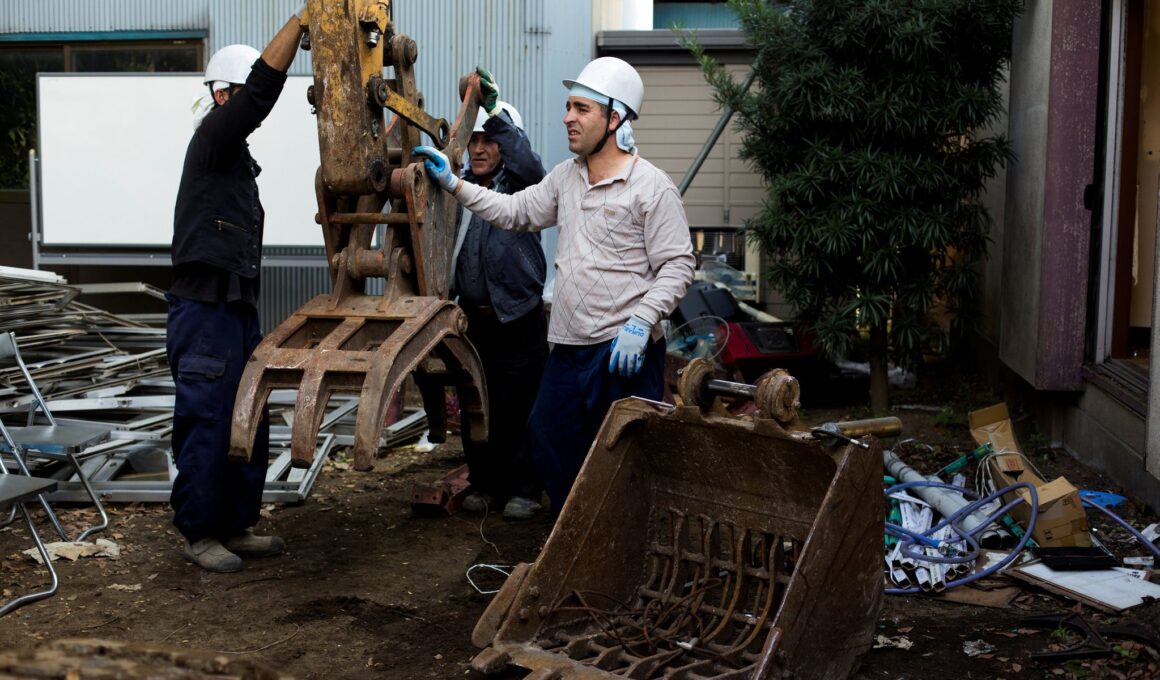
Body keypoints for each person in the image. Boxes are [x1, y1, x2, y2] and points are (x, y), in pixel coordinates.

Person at [415, 57, 696, 513]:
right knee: (549, 439)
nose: (568, 117)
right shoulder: (566, 179)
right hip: (568, 347)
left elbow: (679, 265)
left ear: (615, 117)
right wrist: (454, 185)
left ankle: (626, 541)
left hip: (623, 349)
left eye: (582, 109)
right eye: (569, 107)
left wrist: (643, 321)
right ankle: (579, 533)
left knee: (627, 454)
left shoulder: (651, 188)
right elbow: (515, 211)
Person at [167, 10, 304, 573]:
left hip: (236, 307)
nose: (253, 110)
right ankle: (201, 532)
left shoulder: (235, 160)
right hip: (204, 312)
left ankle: (237, 523)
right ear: (224, 95)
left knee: (251, 412)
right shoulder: (213, 139)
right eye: (241, 95)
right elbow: (259, 98)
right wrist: (299, 23)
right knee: (208, 417)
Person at [451, 79, 550, 520]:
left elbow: (530, 163)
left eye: (489, 138)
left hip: (518, 318)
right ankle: (485, 484)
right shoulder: (457, 187)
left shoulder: (525, 188)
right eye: (473, 140)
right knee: (477, 404)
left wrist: (488, 110)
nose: (479, 147)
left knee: (519, 407)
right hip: (471, 321)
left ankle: (525, 489)